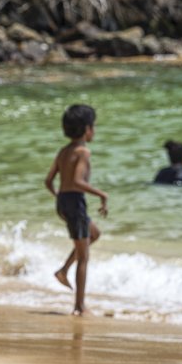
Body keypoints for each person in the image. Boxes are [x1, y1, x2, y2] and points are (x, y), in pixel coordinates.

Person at [44, 105, 107, 316]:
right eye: (94, 126)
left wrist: (60, 198)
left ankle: (63, 270)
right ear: (87, 129)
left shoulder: (63, 151)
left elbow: (48, 181)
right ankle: (79, 306)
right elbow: (78, 181)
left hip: (64, 202)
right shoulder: (83, 152)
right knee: (84, 257)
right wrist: (102, 195)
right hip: (75, 202)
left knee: (93, 234)